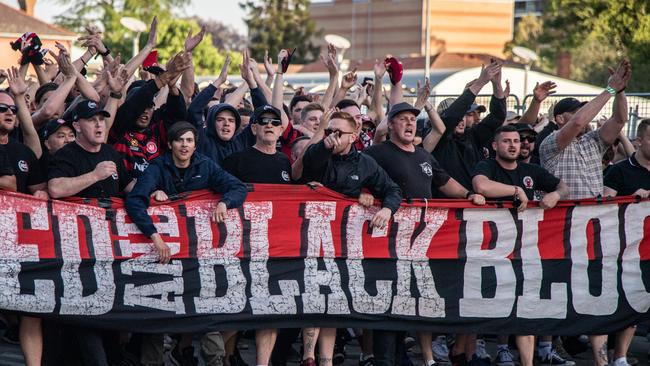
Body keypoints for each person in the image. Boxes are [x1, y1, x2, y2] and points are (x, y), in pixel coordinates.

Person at [364, 101, 485, 366]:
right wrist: (362, 193)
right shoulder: (377, 153)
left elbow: (444, 181)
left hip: (420, 240)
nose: (409, 123)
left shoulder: (422, 155)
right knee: (389, 297)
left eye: (412, 119)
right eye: (403, 119)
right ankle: (385, 359)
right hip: (388, 239)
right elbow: (359, 176)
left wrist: (468, 194)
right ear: (391, 124)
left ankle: (400, 355)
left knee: (410, 297)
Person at [125, 121, 247, 366]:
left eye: (189, 140)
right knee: (157, 314)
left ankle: (214, 361)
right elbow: (135, 201)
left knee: (207, 311)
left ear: (195, 145)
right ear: (170, 144)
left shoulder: (205, 164)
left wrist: (225, 202)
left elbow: (237, 187)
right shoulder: (157, 166)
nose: (184, 145)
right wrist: (155, 237)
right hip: (164, 253)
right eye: (180, 140)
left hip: (197, 253)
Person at [540, 59, 631, 366]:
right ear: (559, 117)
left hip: (592, 228)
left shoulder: (594, 142)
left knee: (594, 290)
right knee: (555, 289)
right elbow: (578, 122)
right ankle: (547, 348)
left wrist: (620, 92)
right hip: (560, 229)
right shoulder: (552, 143)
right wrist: (608, 89)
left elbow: (619, 121)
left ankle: (601, 359)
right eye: (578, 108)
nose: (587, 112)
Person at [299, 110, 402, 366]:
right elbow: (309, 163)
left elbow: (392, 189)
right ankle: (307, 355)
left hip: (343, 244)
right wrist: (323, 145)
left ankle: (325, 360)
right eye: (328, 131)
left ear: (354, 137)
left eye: (338, 133)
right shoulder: (320, 152)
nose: (332, 136)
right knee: (313, 295)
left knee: (332, 299)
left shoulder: (365, 163)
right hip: (309, 239)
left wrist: (386, 208)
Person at [222, 104, 291, 366]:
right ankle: (226, 357)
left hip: (277, 247)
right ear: (254, 128)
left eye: (275, 122)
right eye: (263, 121)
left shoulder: (286, 161)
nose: (269, 125)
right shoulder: (237, 160)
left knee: (269, 307)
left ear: (282, 130)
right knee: (239, 305)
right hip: (242, 245)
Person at [109, 51, 191, 177]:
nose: (145, 111)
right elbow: (134, 105)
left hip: (159, 194)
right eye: (142, 107)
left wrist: (173, 88)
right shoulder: (118, 129)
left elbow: (177, 117)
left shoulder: (157, 130)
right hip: (126, 194)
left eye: (150, 107)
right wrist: (163, 78)